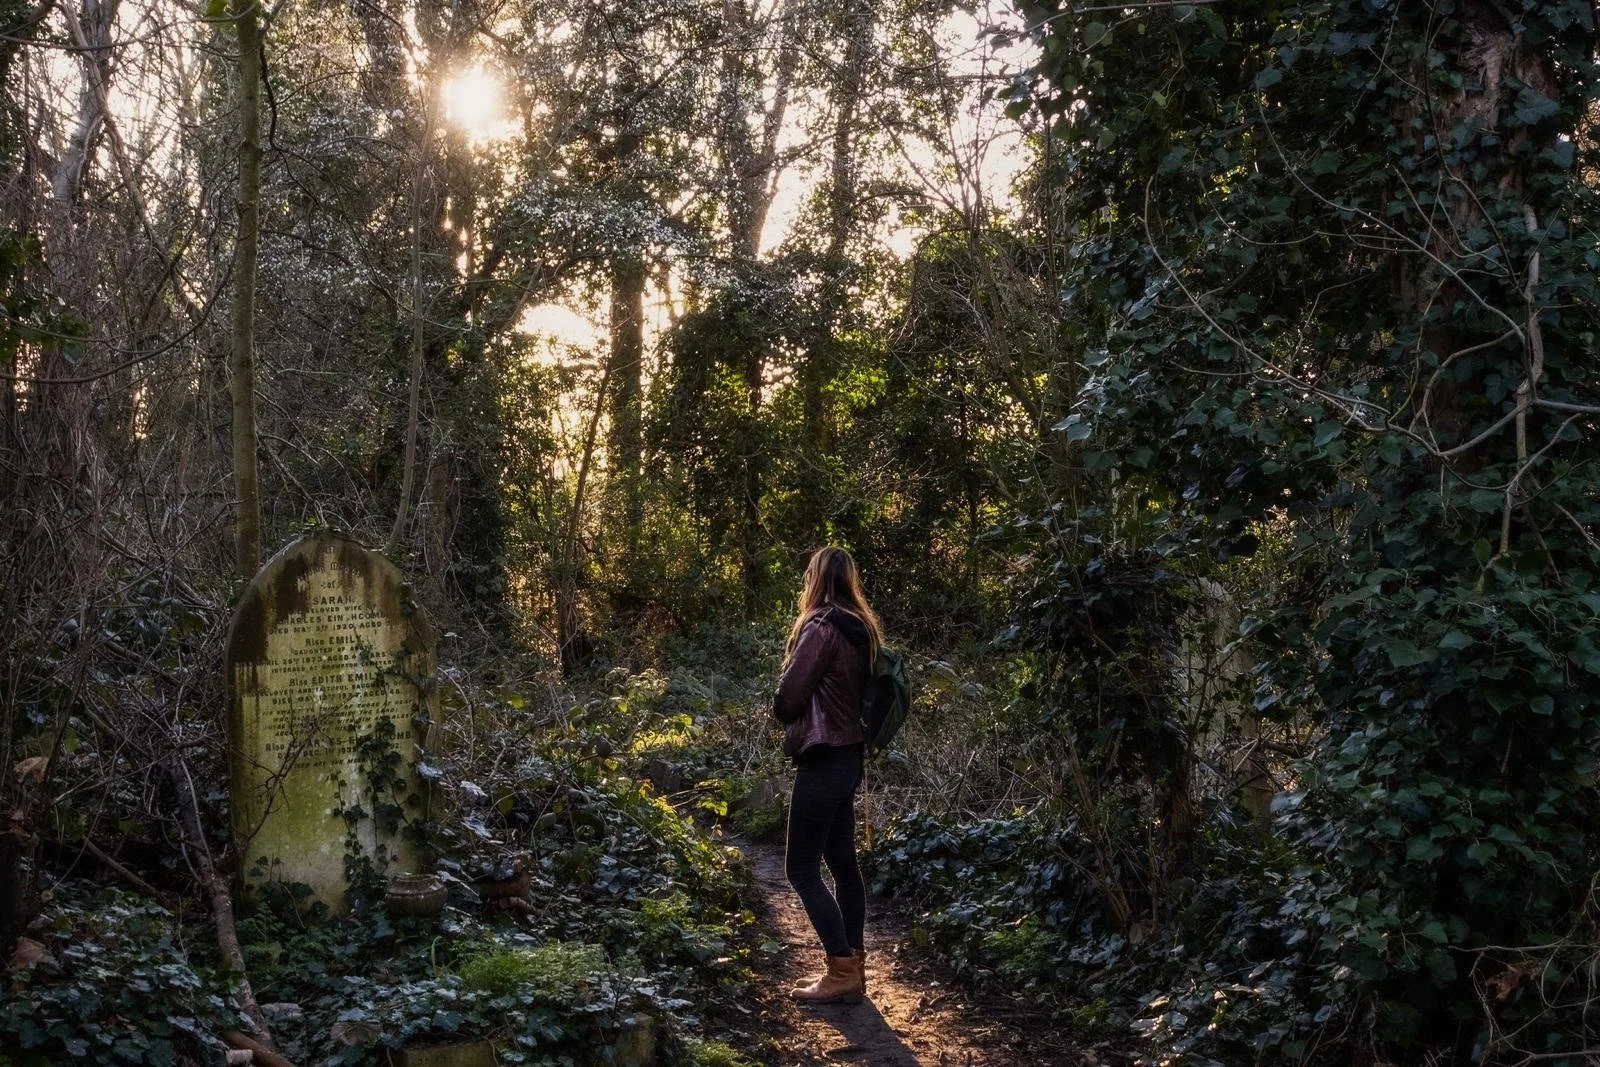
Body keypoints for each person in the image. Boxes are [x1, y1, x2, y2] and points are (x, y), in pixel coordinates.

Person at [772, 546, 883, 1004]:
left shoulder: (820, 627)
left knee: (800, 866)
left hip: (823, 756)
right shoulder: (862, 629)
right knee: (841, 863)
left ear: (815, 578)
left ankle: (840, 968)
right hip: (850, 755)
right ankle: (853, 966)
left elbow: (787, 700)